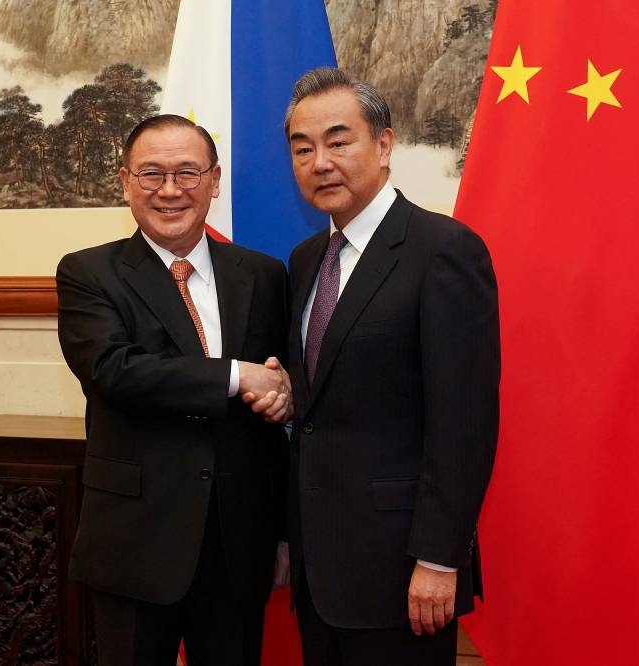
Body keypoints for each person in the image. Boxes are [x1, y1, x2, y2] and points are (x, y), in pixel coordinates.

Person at [276, 67, 500, 665]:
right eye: (303, 148)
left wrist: (440, 557)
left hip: (403, 571)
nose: (321, 162)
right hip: (319, 569)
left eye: (338, 141)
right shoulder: (304, 260)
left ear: (384, 144)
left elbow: (464, 424)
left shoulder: (443, 250)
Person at [57, 114, 293, 666]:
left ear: (215, 181)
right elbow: (115, 370)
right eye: (152, 174)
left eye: (187, 173)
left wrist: (282, 393)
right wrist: (238, 375)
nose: (170, 190)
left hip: (238, 545)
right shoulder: (90, 273)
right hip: (135, 543)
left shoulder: (264, 275)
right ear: (125, 182)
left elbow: (281, 393)